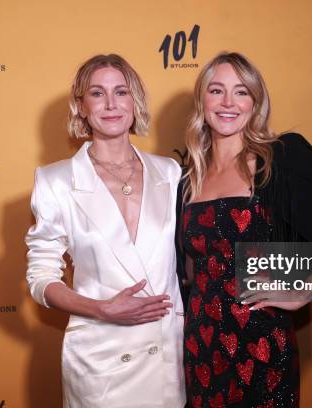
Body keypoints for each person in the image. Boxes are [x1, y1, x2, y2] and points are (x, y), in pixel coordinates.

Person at [177, 52, 312, 407]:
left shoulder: (278, 160)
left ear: (256, 102)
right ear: (202, 100)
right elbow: (188, 270)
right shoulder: (188, 179)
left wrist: (300, 292)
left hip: (262, 340)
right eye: (217, 91)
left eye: (241, 92)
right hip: (201, 344)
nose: (228, 103)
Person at [25, 54, 186, 408]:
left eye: (122, 92)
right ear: (81, 106)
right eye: (97, 93)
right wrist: (101, 309)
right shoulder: (55, 181)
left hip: (165, 357)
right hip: (101, 359)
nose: (111, 104)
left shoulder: (170, 173)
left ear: (135, 101)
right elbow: (40, 278)